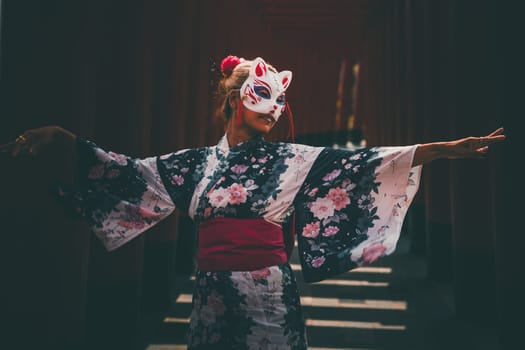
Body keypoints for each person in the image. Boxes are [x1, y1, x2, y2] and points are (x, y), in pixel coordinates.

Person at [0, 55, 506, 349]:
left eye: (281, 101)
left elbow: (364, 162)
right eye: (265, 96)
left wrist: (440, 150)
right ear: (235, 98)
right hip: (210, 298)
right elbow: (129, 172)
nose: (276, 109)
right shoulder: (194, 164)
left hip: (268, 295)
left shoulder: (293, 159)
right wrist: (65, 140)